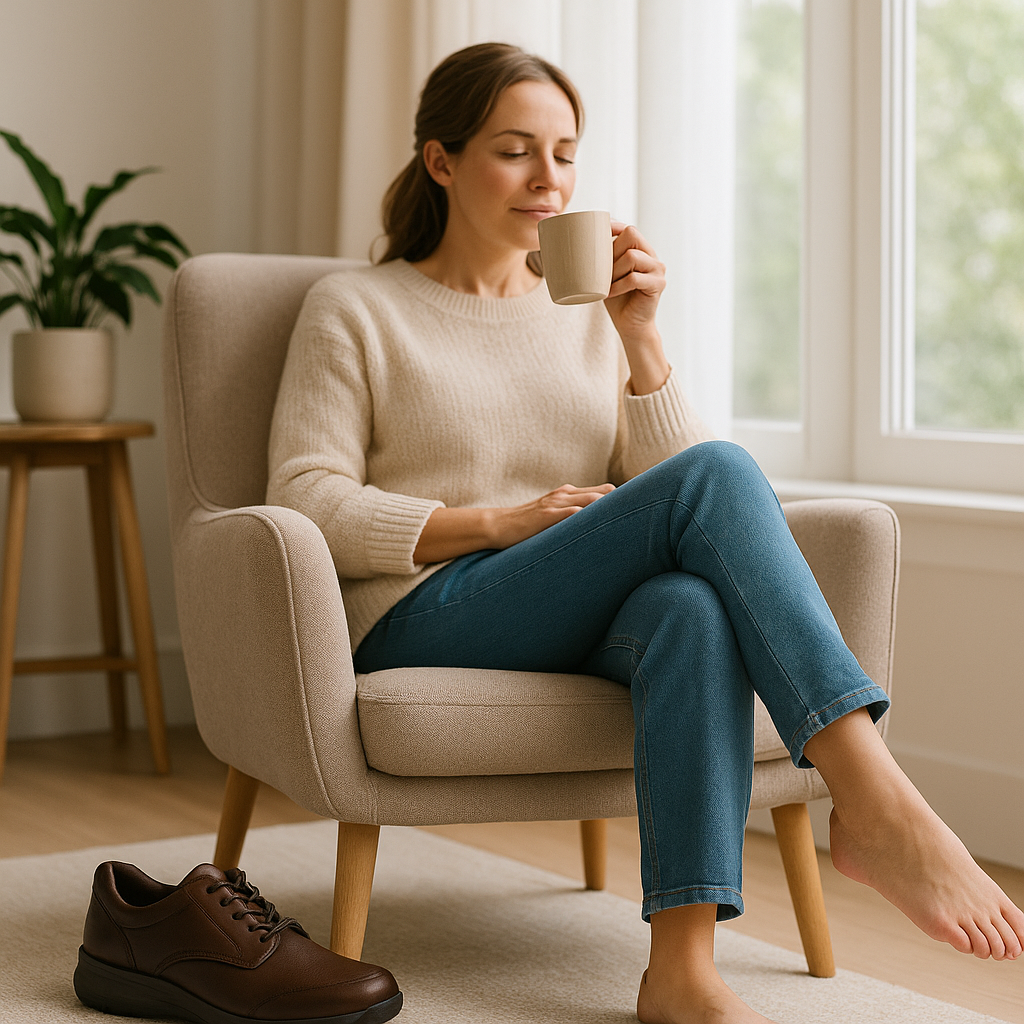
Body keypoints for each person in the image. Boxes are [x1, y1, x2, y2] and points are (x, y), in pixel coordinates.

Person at [267, 41, 1024, 1024]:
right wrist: (499, 520)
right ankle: (870, 793)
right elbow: (306, 497)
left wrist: (640, 337)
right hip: (423, 611)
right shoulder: (356, 309)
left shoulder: (584, 321)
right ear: (440, 161)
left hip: (568, 607)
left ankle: (681, 967)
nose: (550, 179)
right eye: (514, 150)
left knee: (690, 609)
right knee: (717, 474)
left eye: (566, 153)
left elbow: (664, 493)